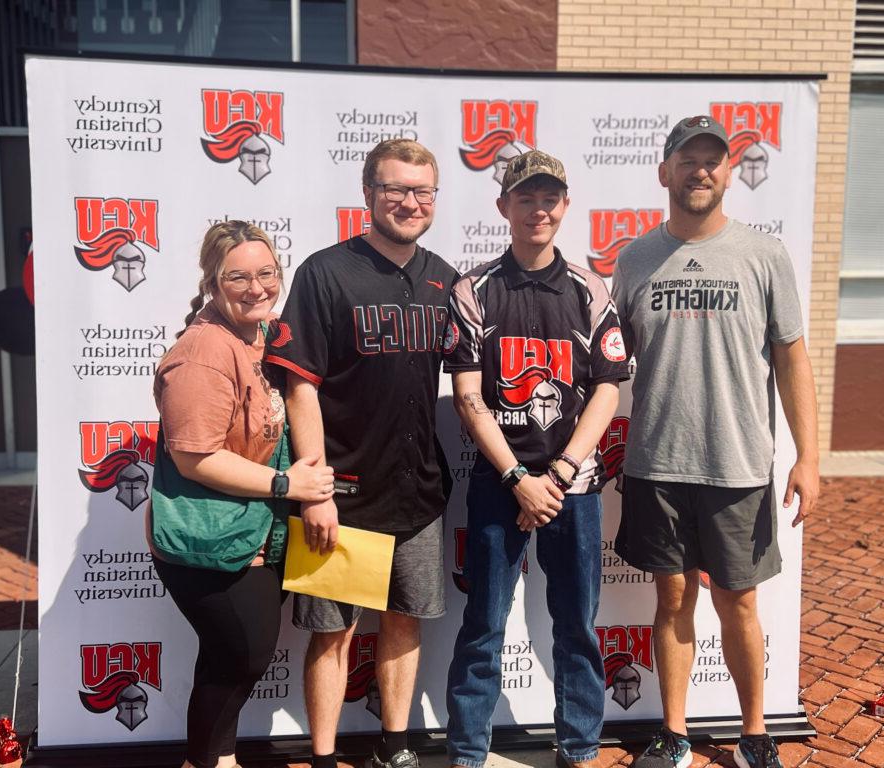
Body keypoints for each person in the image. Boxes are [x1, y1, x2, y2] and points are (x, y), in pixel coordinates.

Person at [610, 115, 820, 768]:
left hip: (738, 466)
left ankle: (754, 733)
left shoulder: (764, 254)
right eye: (687, 159)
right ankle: (672, 733)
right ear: (664, 172)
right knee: (671, 599)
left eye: (713, 160)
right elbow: (613, 361)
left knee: (740, 602)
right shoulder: (634, 258)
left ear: (729, 172)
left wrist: (809, 457)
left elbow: (792, 358)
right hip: (657, 463)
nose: (700, 170)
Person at [263, 139, 458, 768]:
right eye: (395, 188)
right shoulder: (324, 273)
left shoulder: (445, 279)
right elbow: (300, 386)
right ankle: (323, 757)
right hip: (344, 494)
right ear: (368, 192)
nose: (409, 201)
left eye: (421, 190)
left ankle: (394, 745)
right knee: (333, 632)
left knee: (404, 621)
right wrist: (315, 489)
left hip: (419, 490)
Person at [443, 149, 628, 768]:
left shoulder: (589, 287)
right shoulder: (474, 290)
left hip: (573, 487)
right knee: (483, 627)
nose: (539, 209)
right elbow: (468, 397)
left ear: (565, 207)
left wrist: (562, 473)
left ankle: (578, 748)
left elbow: (607, 386)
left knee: (577, 627)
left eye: (550, 198)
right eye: (526, 198)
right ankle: (468, 751)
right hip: (502, 485)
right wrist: (520, 477)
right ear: (504, 207)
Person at [150, 220, 336, 768]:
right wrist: (288, 484)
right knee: (244, 653)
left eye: (267, 273)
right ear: (212, 281)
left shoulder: (265, 336)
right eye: (238, 277)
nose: (257, 287)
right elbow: (194, 456)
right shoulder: (202, 352)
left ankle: (215, 759)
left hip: (257, 532)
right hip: (209, 539)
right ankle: (206, 760)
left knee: (229, 659)